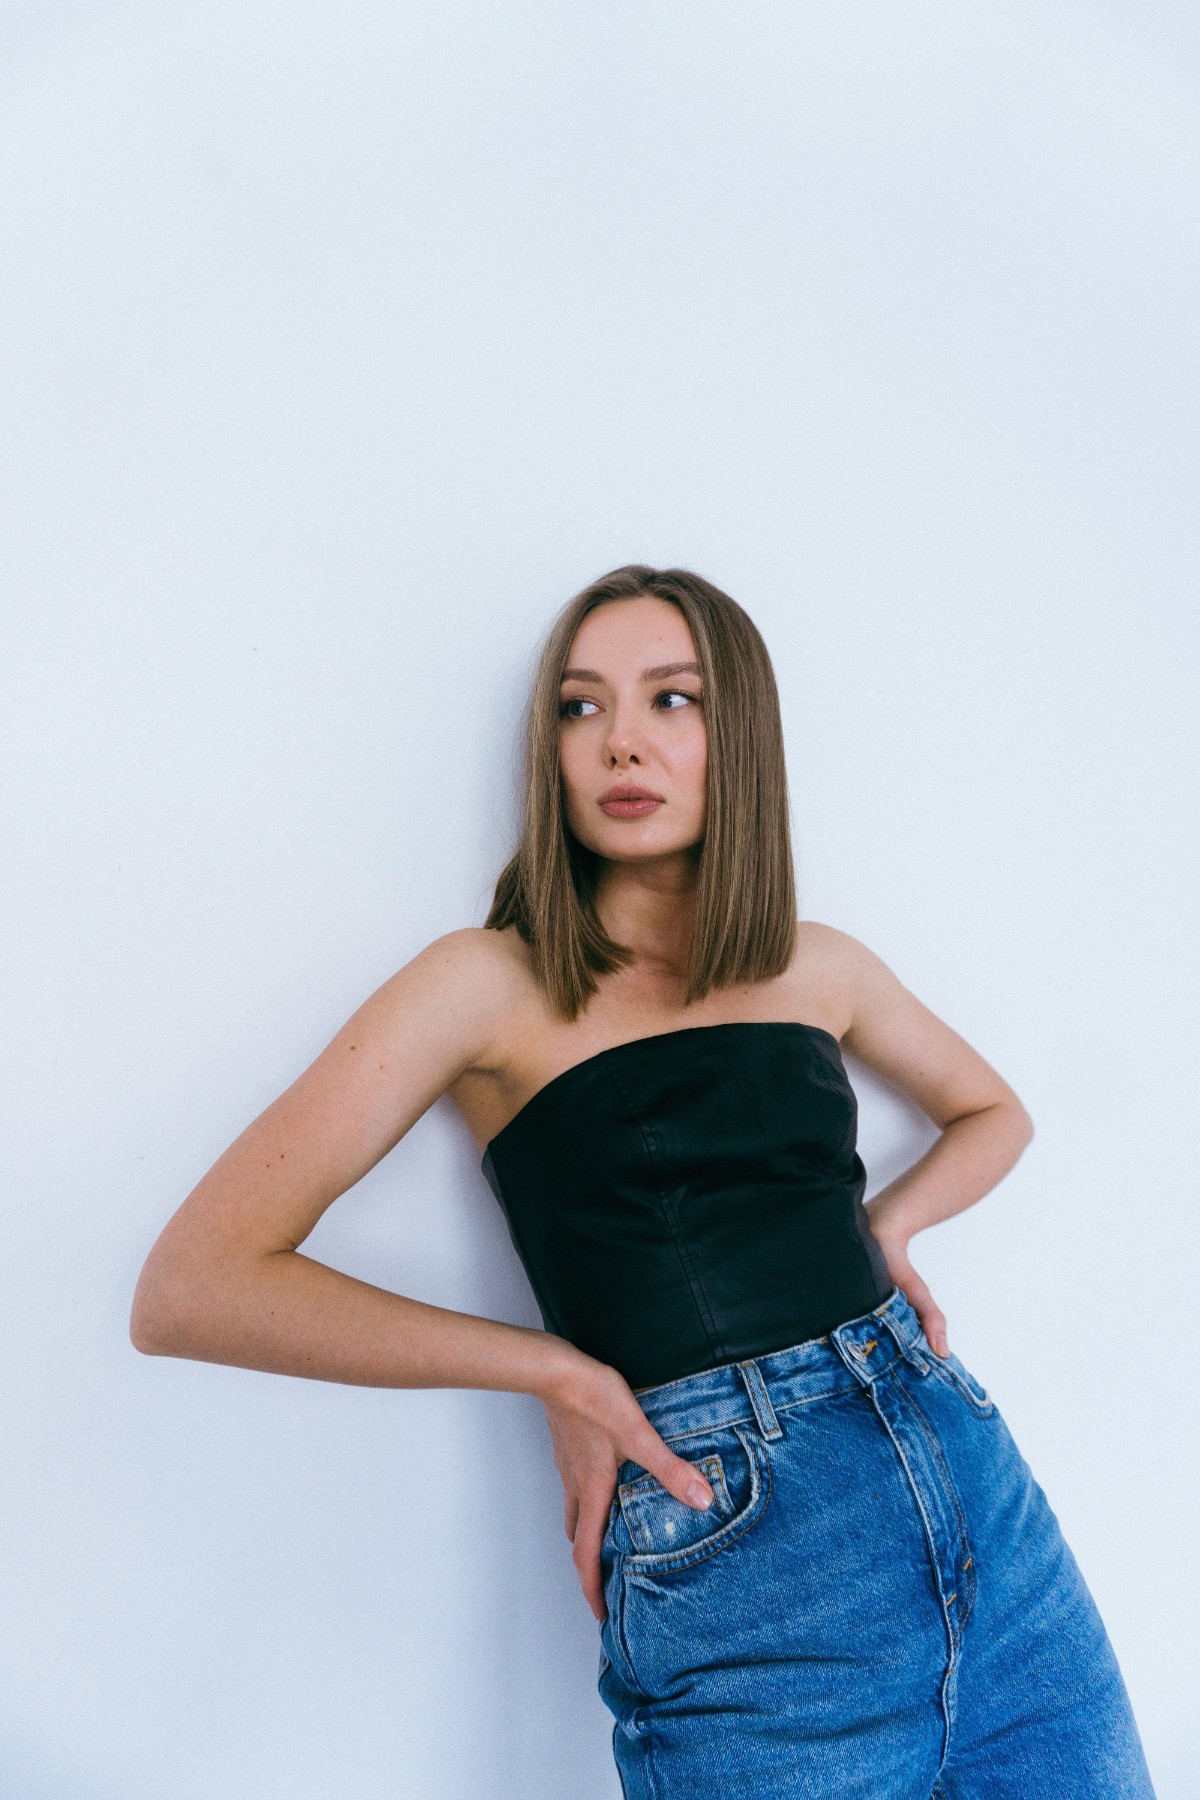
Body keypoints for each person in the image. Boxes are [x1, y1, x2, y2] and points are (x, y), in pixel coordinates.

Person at [130, 564, 1157, 1798]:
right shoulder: (483, 984)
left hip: (984, 1517)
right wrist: (555, 1370)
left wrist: (890, 1225)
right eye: (580, 707)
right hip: (739, 1557)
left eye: (672, 700)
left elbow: (997, 1112)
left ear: (741, 739)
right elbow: (191, 1286)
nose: (621, 741)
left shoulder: (814, 964)